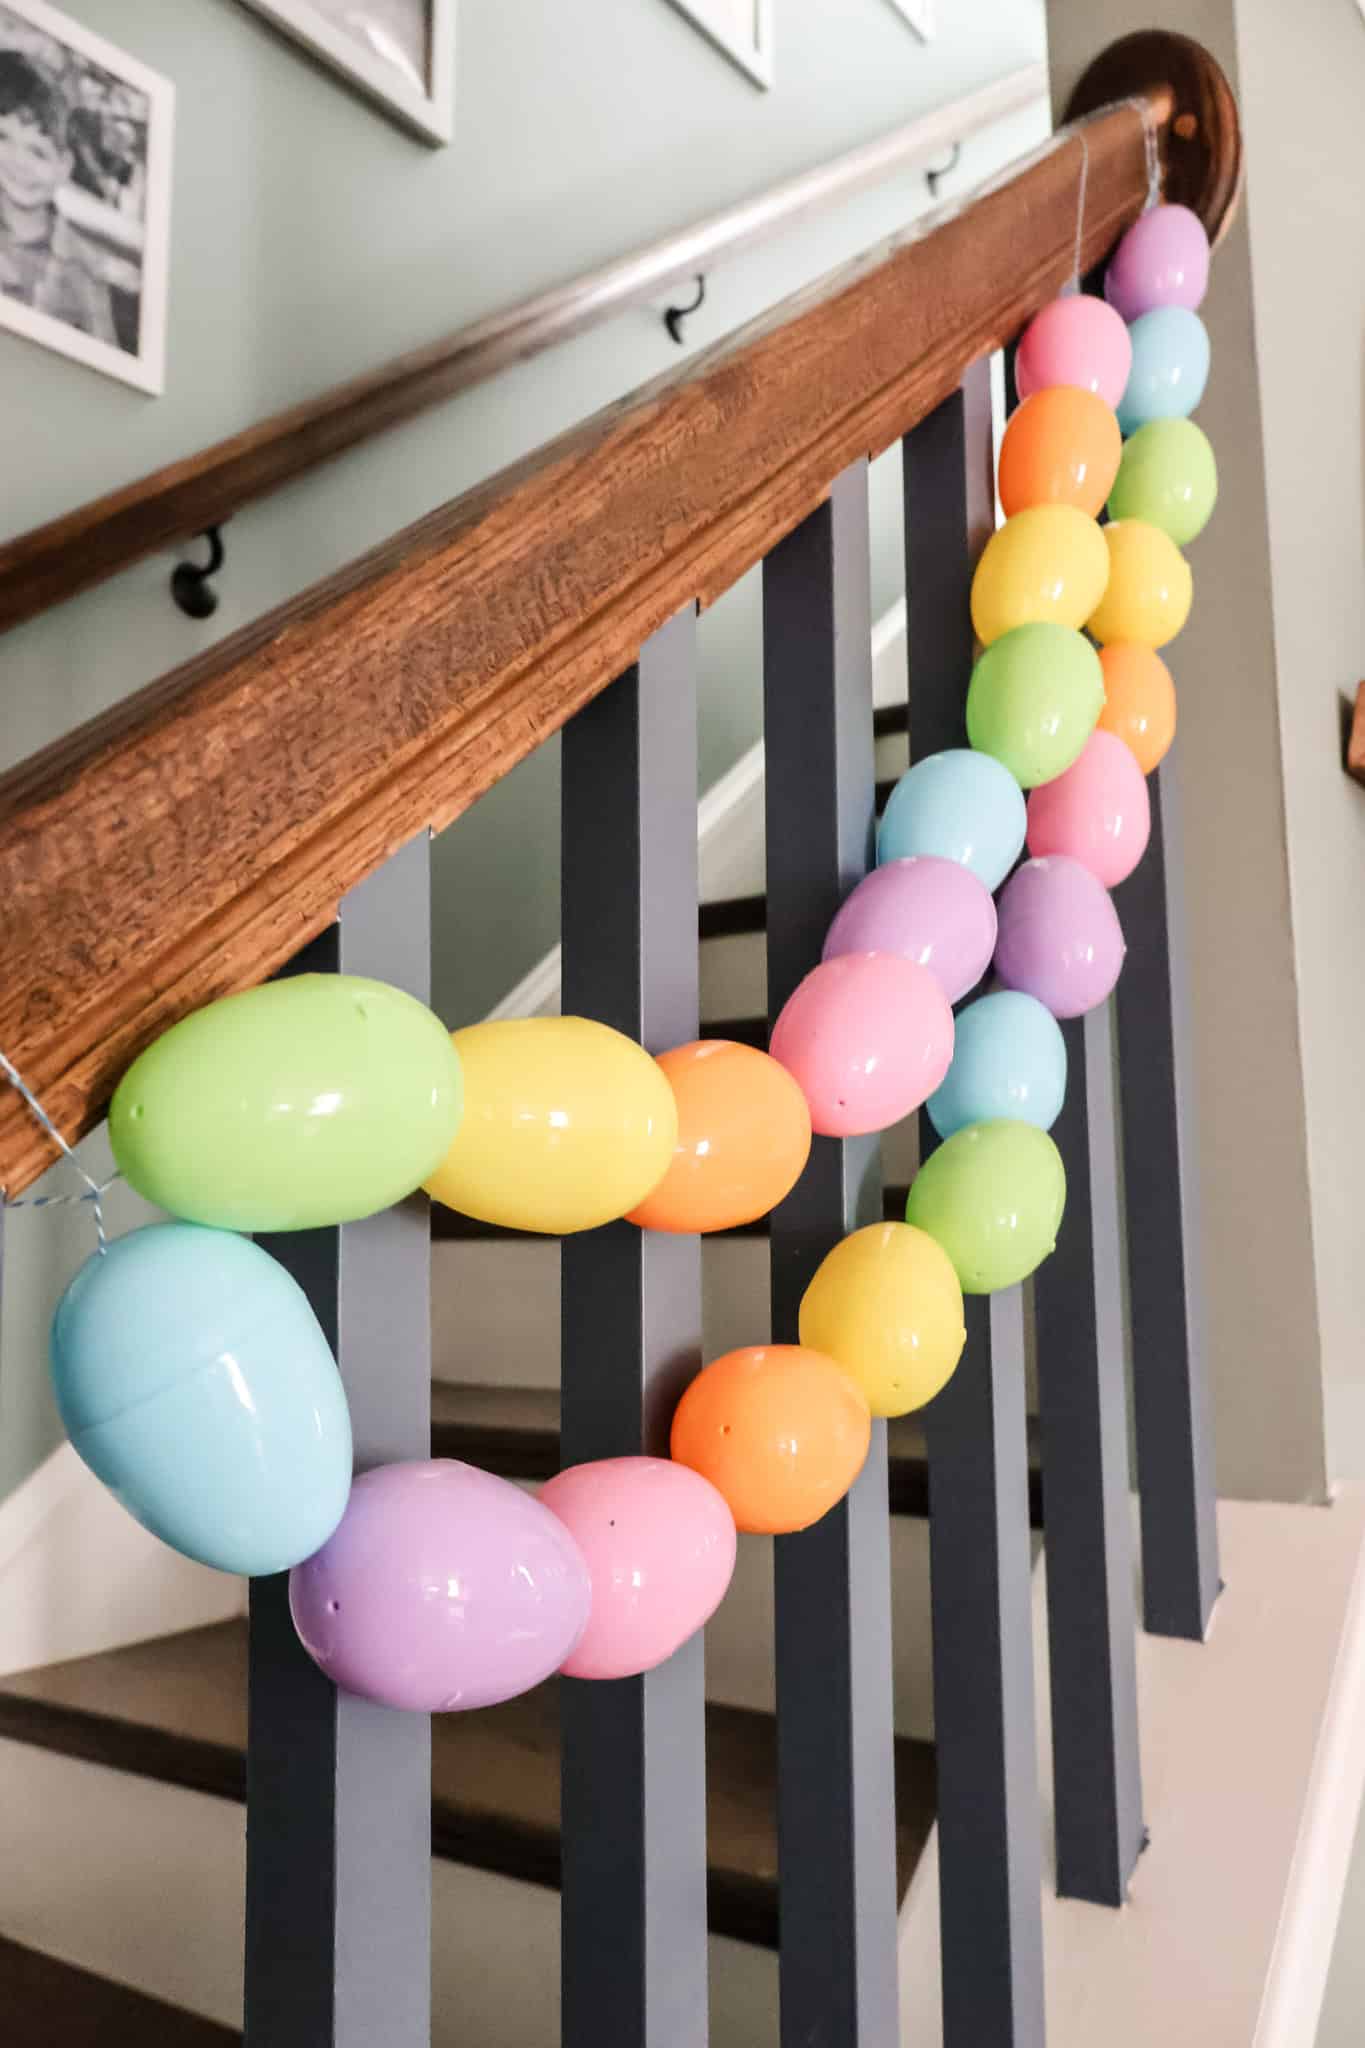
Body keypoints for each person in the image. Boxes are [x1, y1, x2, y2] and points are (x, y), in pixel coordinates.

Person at [0, 48, 117, 346]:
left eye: (38, 151)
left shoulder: (83, 266)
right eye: (3, 139)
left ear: (63, 166)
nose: (17, 161)